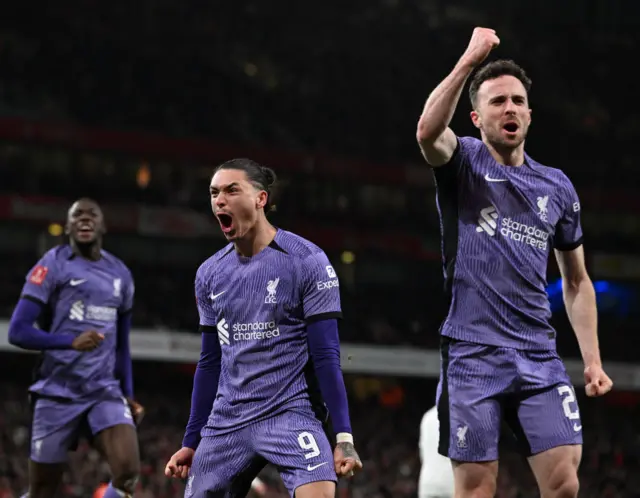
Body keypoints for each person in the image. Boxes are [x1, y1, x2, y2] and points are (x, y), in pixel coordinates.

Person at [415, 28, 613, 498]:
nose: (510, 108)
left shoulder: (557, 187)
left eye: (518, 100)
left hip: (537, 355)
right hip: (471, 353)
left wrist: (592, 360)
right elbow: (426, 132)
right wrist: (470, 59)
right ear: (476, 116)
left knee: (565, 482)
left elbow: (578, 282)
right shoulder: (461, 160)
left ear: (529, 113)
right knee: (477, 490)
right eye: (498, 101)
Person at [164, 158, 362, 497]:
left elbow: (327, 355)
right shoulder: (210, 274)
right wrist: (191, 441)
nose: (219, 200)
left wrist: (343, 438)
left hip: (290, 413)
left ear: (261, 199)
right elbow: (210, 362)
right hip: (227, 422)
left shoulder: (307, 261)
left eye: (231, 190)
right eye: (214, 193)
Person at [8, 198, 144, 498]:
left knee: (128, 472)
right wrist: (69, 342)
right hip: (58, 390)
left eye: (91, 214)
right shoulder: (51, 265)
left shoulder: (120, 274)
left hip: (103, 391)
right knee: (42, 491)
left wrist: (128, 394)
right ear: (67, 226)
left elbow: (122, 344)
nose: (84, 219)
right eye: (77, 215)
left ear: (103, 225)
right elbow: (17, 332)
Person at [418, 406, 454, 498]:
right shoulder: (461, 416)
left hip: (428, 484)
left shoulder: (427, 417)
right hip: (450, 484)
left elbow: (423, 454)